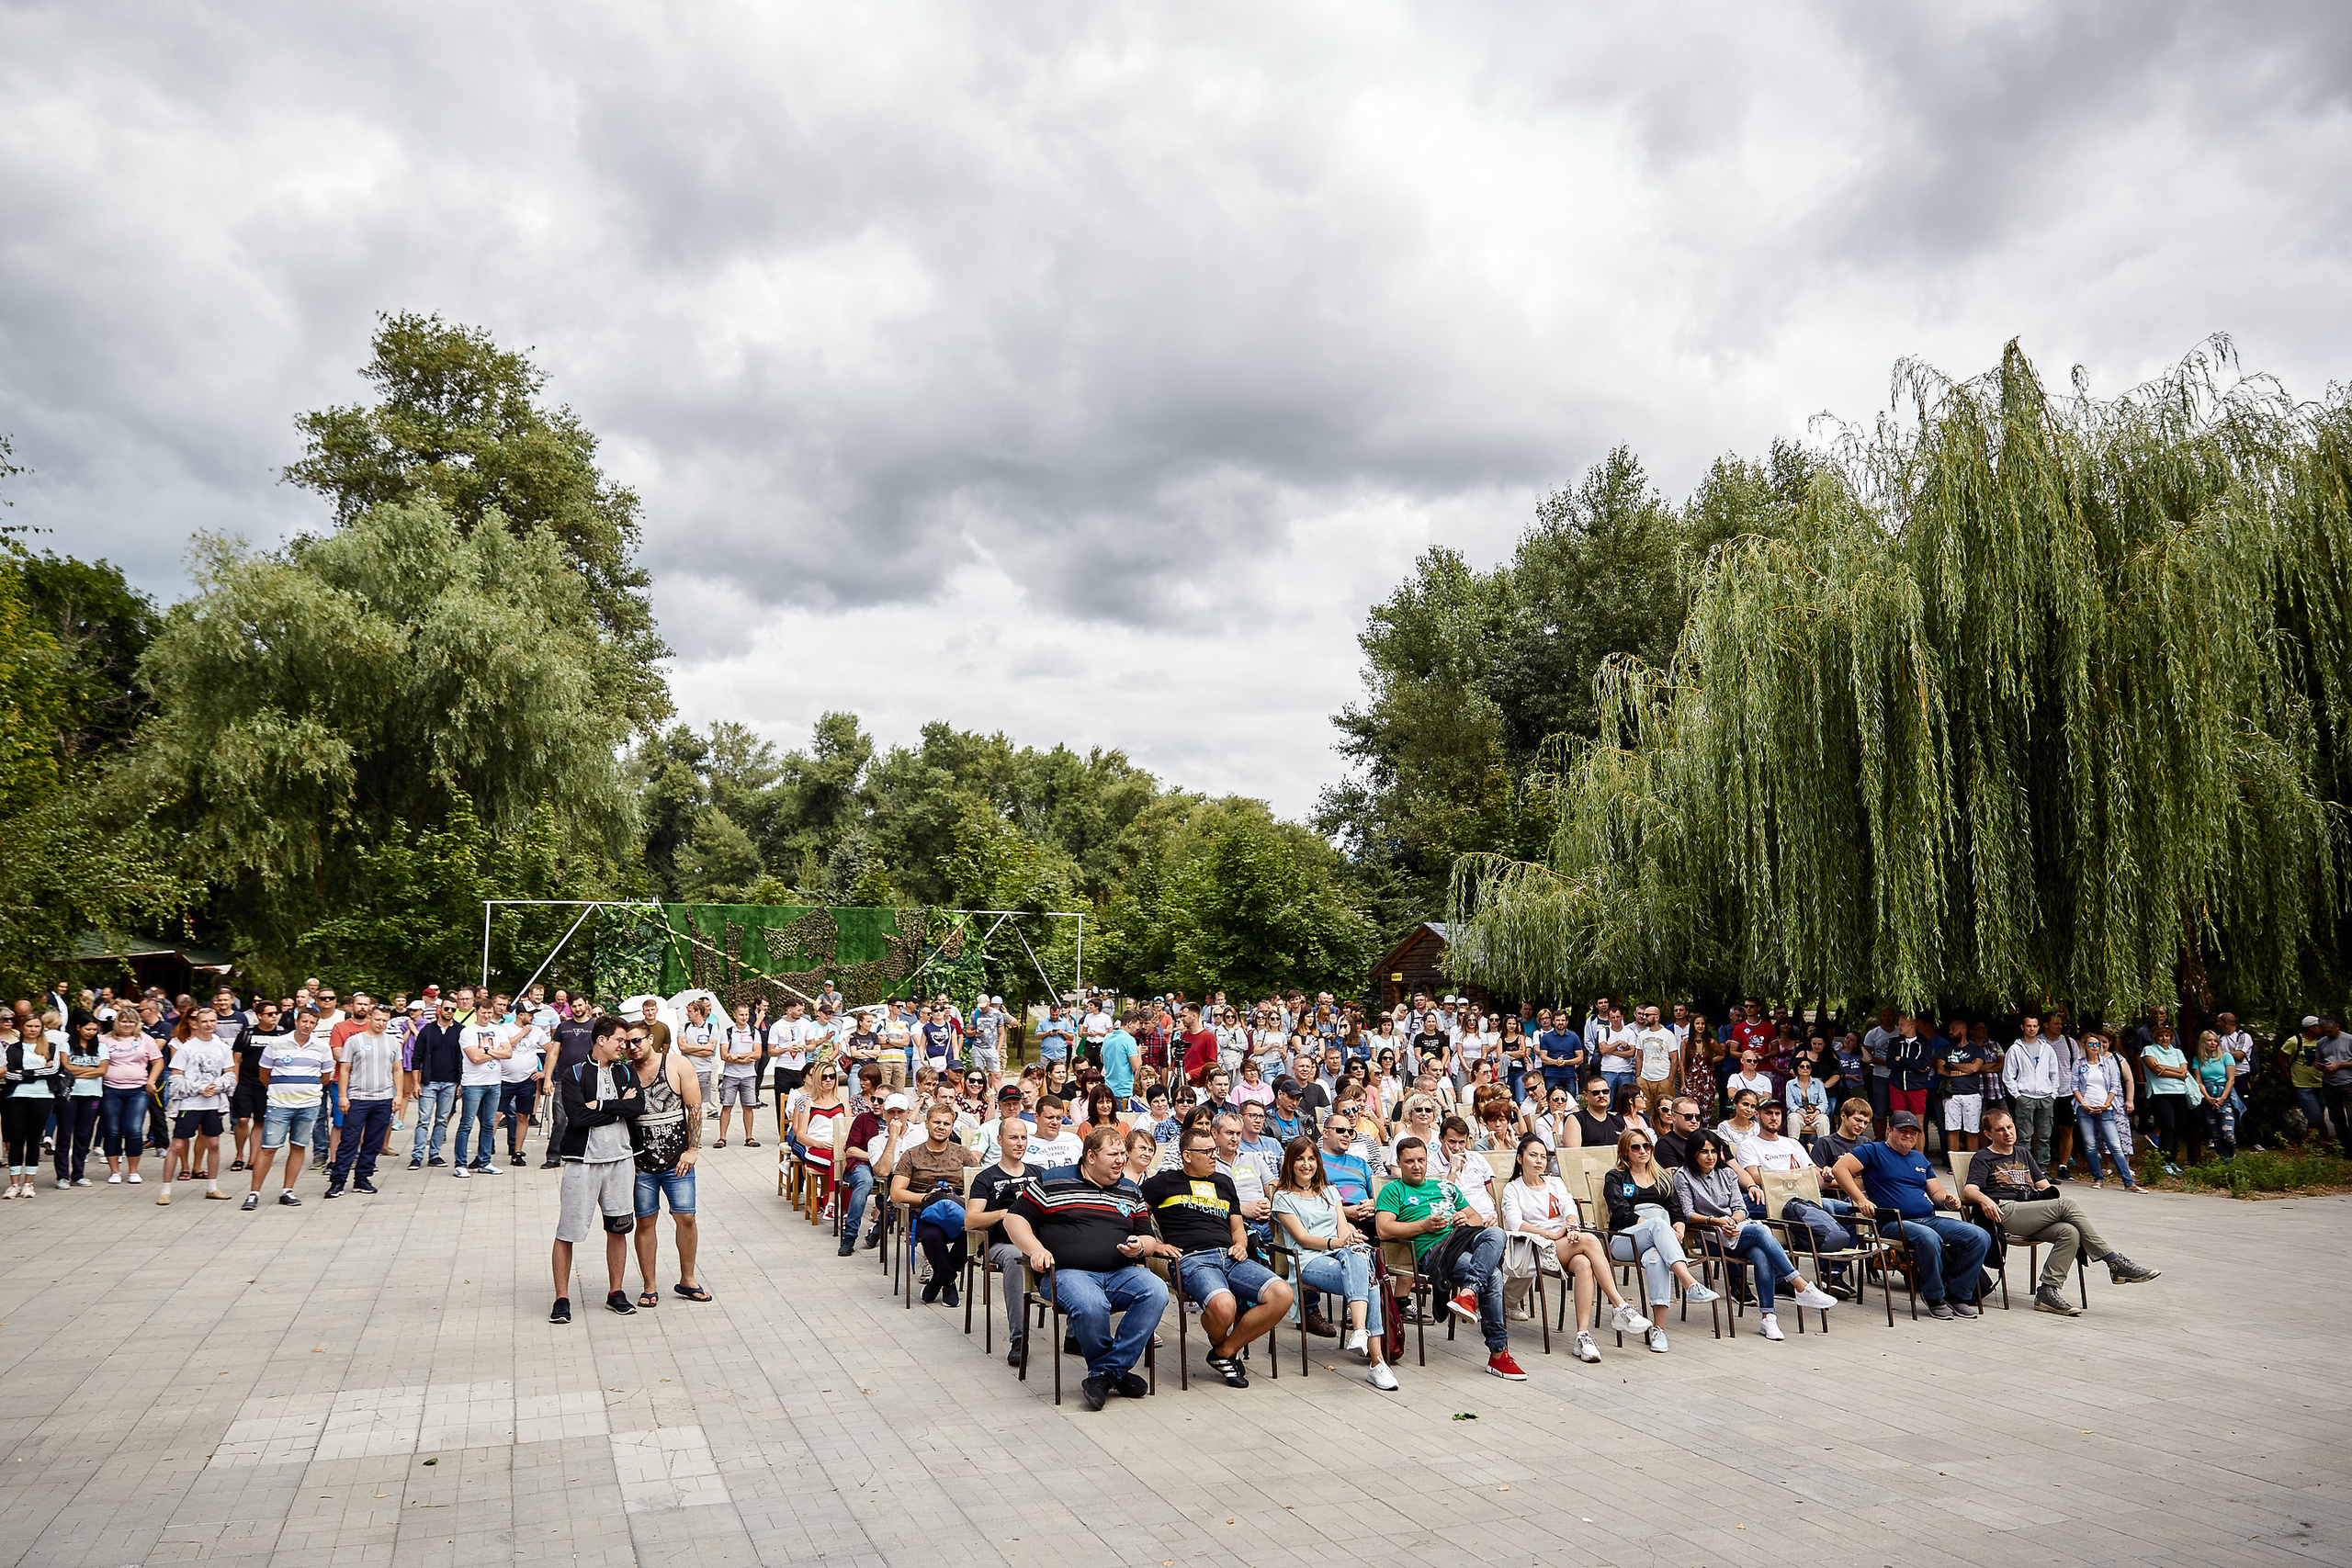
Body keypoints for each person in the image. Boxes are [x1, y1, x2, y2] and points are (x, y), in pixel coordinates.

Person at [1002, 1125, 1170, 1411]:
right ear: (1091, 1156)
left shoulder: (1130, 1189)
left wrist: (1139, 1246)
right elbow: (1013, 1219)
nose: (1121, 1160)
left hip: (1121, 1272)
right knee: (1092, 1304)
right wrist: (1036, 1249)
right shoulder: (1052, 1181)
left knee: (1156, 1290)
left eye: (1122, 1154)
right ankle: (1114, 1373)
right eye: (1113, 1154)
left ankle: (1105, 1374)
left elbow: (1149, 1239)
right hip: (1068, 1273)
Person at [1962, 1107, 2160, 1317]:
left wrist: (2046, 1201)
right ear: (1988, 1134)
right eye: (2000, 1129)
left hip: (2030, 1211)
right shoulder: (1983, 1157)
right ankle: (2114, 1261)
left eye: (2009, 1127)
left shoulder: (2022, 1153)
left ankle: (2047, 1292)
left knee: (2069, 1232)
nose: (2007, 1133)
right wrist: (1984, 1200)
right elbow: (1969, 1189)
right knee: (2067, 1204)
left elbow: (2044, 1186)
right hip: (2004, 1211)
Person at [1142, 1125, 1295, 1388]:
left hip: (1230, 1256)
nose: (1214, 1155)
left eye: (1214, 1150)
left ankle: (1223, 1352)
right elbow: (1135, 1213)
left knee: (1282, 1294)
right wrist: (1155, 1244)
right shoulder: (1164, 1182)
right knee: (1224, 1306)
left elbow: (1237, 1227)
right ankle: (1224, 1349)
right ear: (1187, 1155)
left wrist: (1241, 1244)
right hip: (1192, 1259)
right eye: (1207, 1151)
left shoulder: (1224, 1182)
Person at [1374, 1135, 1527, 1382]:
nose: (1416, 1166)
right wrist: (1423, 1225)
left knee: (1497, 1232)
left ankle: (1468, 1293)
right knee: (1494, 1275)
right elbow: (1384, 1230)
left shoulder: (1445, 1187)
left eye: (1421, 1160)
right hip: (1435, 1251)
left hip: (1462, 1237)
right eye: (1409, 1161)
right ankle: (1498, 1353)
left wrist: (1464, 1219)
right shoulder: (1394, 1190)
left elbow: (1475, 1218)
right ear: (1399, 1164)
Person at [1670, 1132, 1836, 1340]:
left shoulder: (1727, 1174)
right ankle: (1800, 1286)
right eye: (1704, 1152)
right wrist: (1718, 1222)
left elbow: (1740, 1208)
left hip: (1736, 1228)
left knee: (1760, 1254)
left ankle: (1769, 1318)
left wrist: (1734, 1220)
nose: (1710, 1157)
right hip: (1709, 1234)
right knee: (1760, 1230)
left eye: (1714, 1151)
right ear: (1693, 1153)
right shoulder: (1683, 1176)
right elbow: (1688, 1213)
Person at [1828, 1111, 1988, 1320]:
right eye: (1903, 1131)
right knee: (1928, 1238)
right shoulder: (1873, 1150)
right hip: (1893, 1222)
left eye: (1913, 1132)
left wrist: (1947, 1200)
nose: (1909, 1135)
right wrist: (1861, 1199)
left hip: (1928, 1218)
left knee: (1980, 1236)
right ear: (1890, 1131)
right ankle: (1934, 1297)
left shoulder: (1919, 1158)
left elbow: (1936, 1193)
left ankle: (1958, 1295)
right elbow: (1840, 1169)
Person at [1498, 1133, 1638, 1362]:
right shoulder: (1513, 1188)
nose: (1539, 1161)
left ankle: (1582, 1335)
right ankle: (1619, 1305)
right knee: (1591, 1240)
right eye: (1533, 1155)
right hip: (1535, 1247)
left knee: (1584, 1263)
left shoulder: (1554, 1182)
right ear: (1520, 1158)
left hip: (1565, 1244)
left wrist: (1572, 1225)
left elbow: (1568, 1207)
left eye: (1543, 1156)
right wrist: (1551, 1234)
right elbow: (1515, 1223)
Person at [1272, 1135, 1396, 1390]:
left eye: (1311, 1159)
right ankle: (1376, 1361)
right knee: (1369, 1280)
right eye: (1299, 1159)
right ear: (1290, 1164)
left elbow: (1342, 1229)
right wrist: (1337, 1244)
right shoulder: (1282, 1197)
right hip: (1308, 1262)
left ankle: (1361, 1333)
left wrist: (1349, 1237)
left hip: (1340, 1257)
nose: (1306, 1165)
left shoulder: (1329, 1192)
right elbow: (1302, 1238)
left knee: (1359, 1254)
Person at [549, 1018, 647, 1322]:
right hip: (582, 1163)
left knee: (618, 1229)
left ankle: (615, 1292)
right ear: (602, 1040)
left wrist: (600, 1106)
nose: (626, 1046)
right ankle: (562, 1298)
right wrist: (618, 1104)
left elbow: (637, 1107)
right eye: (620, 1040)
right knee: (568, 1231)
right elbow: (577, 1118)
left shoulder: (627, 1071)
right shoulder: (574, 1073)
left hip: (620, 1161)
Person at [1598, 1127, 1719, 1352]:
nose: (1643, 1151)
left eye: (1647, 1146)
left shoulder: (1662, 1176)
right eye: (1636, 1147)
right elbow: (1619, 1210)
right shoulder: (1615, 1176)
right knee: (1657, 1225)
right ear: (1625, 1152)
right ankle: (1688, 1282)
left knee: (1656, 1258)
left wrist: (1680, 1229)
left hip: (1660, 1240)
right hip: (1625, 1238)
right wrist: (1652, 1224)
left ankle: (1659, 1330)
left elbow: (1676, 1209)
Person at [625, 1021, 707, 1307]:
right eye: (626, 1043)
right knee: (645, 1222)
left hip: (678, 1161)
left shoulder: (677, 1065)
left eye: (636, 1041)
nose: (631, 1047)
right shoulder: (623, 1072)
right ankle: (649, 1285)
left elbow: (694, 1108)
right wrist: (625, 1158)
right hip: (640, 1164)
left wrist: (693, 1150)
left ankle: (688, 1278)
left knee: (686, 1217)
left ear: (649, 1039)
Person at [892, 1100, 984, 1305]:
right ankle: (949, 1283)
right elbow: (896, 1194)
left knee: (973, 1232)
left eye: (946, 1123)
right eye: (937, 1122)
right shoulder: (912, 1155)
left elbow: (979, 1185)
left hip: (958, 1210)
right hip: (926, 1214)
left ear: (952, 1126)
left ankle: (937, 1281)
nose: (941, 1127)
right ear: (926, 1123)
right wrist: (924, 1198)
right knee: (932, 1235)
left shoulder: (962, 1153)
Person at [967, 1115, 1041, 1364]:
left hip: (1037, 1240)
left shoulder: (1038, 1175)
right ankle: (1019, 1338)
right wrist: (1003, 1213)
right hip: (1001, 1244)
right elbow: (970, 1221)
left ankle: (1074, 1334)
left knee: (1073, 1251)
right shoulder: (986, 1178)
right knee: (1016, 1258)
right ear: (999, 1140)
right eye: (1013, 1137)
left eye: (1023, 1138)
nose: (1020, 1143)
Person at [245, 1008, 336, 1209]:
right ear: (296, 1021)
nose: (307, 1026)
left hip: (309, 1105)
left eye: (312, 1023)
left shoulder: (322, 1047)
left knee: (298, 1146)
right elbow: (264, 1073)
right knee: (269, 1148)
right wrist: (280, 1090)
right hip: (279, 1104)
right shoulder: (277, 1043)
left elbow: (325, 1077)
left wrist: (307, 1091)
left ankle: (288, 1191)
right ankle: (253, 1193)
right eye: (304, 1021)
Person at [158, 1006, 233, 1204]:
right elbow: (175, 1078)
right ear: (196, 1023)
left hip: (213, 1103)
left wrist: (216, 1086)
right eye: (205, 1021)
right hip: (190, 1104)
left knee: (214, 1143)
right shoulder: (186, 1048)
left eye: (213, 1021)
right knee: (177, 1144)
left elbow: (231, 1073)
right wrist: (198, 1089)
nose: (209, 1025)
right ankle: (165, 1190)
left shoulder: (223, 1047)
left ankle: (212, 1187)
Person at [324, 1004, 400, 1197]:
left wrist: (398, 1094)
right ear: (370, 1019)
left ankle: (362, 1178)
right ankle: (338, 1180)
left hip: (383, 1098)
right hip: (358, 1098)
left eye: (384, 1020)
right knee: (349, 1140)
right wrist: (343, 1096)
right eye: (378, 1019)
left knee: (373, 1142)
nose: (381, 1023)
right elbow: (345, 1069)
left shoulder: (392, 1042)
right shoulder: (354, 1041)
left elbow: (397, 1069)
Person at [97, 1007, 162, 1184]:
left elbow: (158, 1062)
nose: (127, 1025)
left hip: (137, 1090)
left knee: (133, 1130)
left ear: (137, 1023)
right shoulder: (104, 1040)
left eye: (131, 1022)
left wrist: (151, 1081)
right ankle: (115, 1171)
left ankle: (133, 1171)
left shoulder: (145, 1039)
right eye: (123, 1021)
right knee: (112, 1130)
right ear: (117, 1022)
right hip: (111, 1090)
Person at [2071, 1030, 2139, 1190]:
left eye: (2098, 1044)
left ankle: (2128, 1181)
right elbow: (2074, 1086)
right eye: (2091, 1044)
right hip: (2085, 1109)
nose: (2095, 1046)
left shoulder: (2108, 1063)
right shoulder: (2079, 1064)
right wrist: (2083, 1104)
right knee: (2090, 1145)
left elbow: (2115, 1085)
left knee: (2115, 1145)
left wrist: (2107, 1104)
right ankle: (2098, 1178)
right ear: (2085, 1046)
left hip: (2105, 1108)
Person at [451, 1005, 513, 1178]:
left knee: (488, 1124)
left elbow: (508, 1053)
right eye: (483, 1012)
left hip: (494, 1083)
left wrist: (486, 1050)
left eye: (489, 1013)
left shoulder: (498, 1030)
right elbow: (474, 1057)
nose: (486, 1016)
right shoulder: (467, 1031)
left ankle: (485, 1161)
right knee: (467, 1124)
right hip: (473, 1084)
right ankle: (460, 1163)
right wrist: (496, 1052)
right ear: (476, 1011)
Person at [2, 1019, 61, 1199]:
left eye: (36, 1026)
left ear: (41, 1028)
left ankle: (28, 1183)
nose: (33, 1029)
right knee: (16, 1140)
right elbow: (10, 1073)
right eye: (29, 1026)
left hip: (43, 1096)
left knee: (34, 1139)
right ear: (22, 1028)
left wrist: (25, 1073)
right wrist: (39, 1070)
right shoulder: (13, 1048)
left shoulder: (51, 1047)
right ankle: (14, 1184)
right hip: (17, 1096)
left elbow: (54, 1070)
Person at [2002, 1015, 2065, 1169]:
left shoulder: (2047, 1048)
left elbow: (2054, 1073)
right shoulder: (2016, 1049)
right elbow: (2008, 1075)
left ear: (2039, 1027)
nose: (2032, 1029)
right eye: (2029, 1026)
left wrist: (2053, 1094)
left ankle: (2042, 1169)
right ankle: (2023, 1169)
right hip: (2026, 1096)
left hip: (2045, 1096)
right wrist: (2017, 1095)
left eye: (2035, 1026)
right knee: (2024, 1136)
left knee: (2044, 1135)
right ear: (2023, 1027)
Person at [792, 1066, 851, 1224]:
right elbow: (800, 1135)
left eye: (832, 1076)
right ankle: (840, 1206)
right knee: (839, 1161)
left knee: (845, 1161)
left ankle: (833, 1202)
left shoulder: (843, 1102)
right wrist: (818, 1143)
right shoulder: (808, 1102)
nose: (828, 1080)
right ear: (818, 1079)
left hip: (838, 1149)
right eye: (824, 1077)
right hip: (815, 1149)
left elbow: (849, 1129)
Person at [55, 1012, 106, 1187]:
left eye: (94, 1029)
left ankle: (78, 1173)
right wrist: (91, 1070)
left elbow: (102, 1070)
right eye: (87, 1029)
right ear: (78, 1028)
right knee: (64, 1134)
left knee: (84, 1135)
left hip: (92, 1095)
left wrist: (80, 1071)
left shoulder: (101, 1047)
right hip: (70, 1094)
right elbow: (67, 1069)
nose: (91, 1032)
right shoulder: (66, 1046)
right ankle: (62, 1176)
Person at [2139, 1021, 2196, 1173]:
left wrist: (2165, 1067)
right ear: (2155, 1037)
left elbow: (2184, 1072)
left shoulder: (2177, 1052)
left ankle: (2172, 1161)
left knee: (2178, 1128)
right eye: (2161, 1036)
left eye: (2167, 1036)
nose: (2164, 1038)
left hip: (2179, 1093)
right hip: (2160, 1093)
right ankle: (2163, 1161)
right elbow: (2156, 1071)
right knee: (2167, 1127)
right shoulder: (2148, 1050)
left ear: (2171, 1037)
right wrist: (2173, 1071)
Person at [497, 1004, 548, 1168]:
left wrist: (545, 1072)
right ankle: (485, 1151)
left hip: (527, 1079)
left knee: (522, 1116)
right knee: (495, 1116)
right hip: (504, 1079)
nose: (533, 1017)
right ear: (520, 1015)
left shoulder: (537, 1031)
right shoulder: (505, 1028)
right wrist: (523, 1033)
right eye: (530, 1014)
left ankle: (517, 1152)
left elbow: (552, 1050)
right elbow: (505, 1046)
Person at [714, 1003, 763, 1147]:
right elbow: (725, 1055)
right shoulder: (728, 1032)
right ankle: (722, 1138)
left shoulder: (754, 1032)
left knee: (748, 1106)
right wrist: (747, 1058)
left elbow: (758, 1053)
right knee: (727, 1106)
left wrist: (739, 1056)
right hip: (730, 1075)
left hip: (749, 1075)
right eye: (741, 1015)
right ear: (735, 1015)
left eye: (747, 1014)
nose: (744, 1018)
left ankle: (749, 1137)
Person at [2191, 1029, 2239, 1162]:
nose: (2213, 1043)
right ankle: (2225, 1162)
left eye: (2215, 1041)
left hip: (2224, 1094)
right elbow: (2198, 1080)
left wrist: (2223, 1098)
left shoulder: (2226, 1057)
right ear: (2203, 1042)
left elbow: (2231, 1079)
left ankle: (2231, 1154)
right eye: (2209, 1040)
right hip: (2208, 1094)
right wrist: (2207, 1097)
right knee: (2216, 1133)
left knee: (2228, 1132)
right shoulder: (2198, 1060)